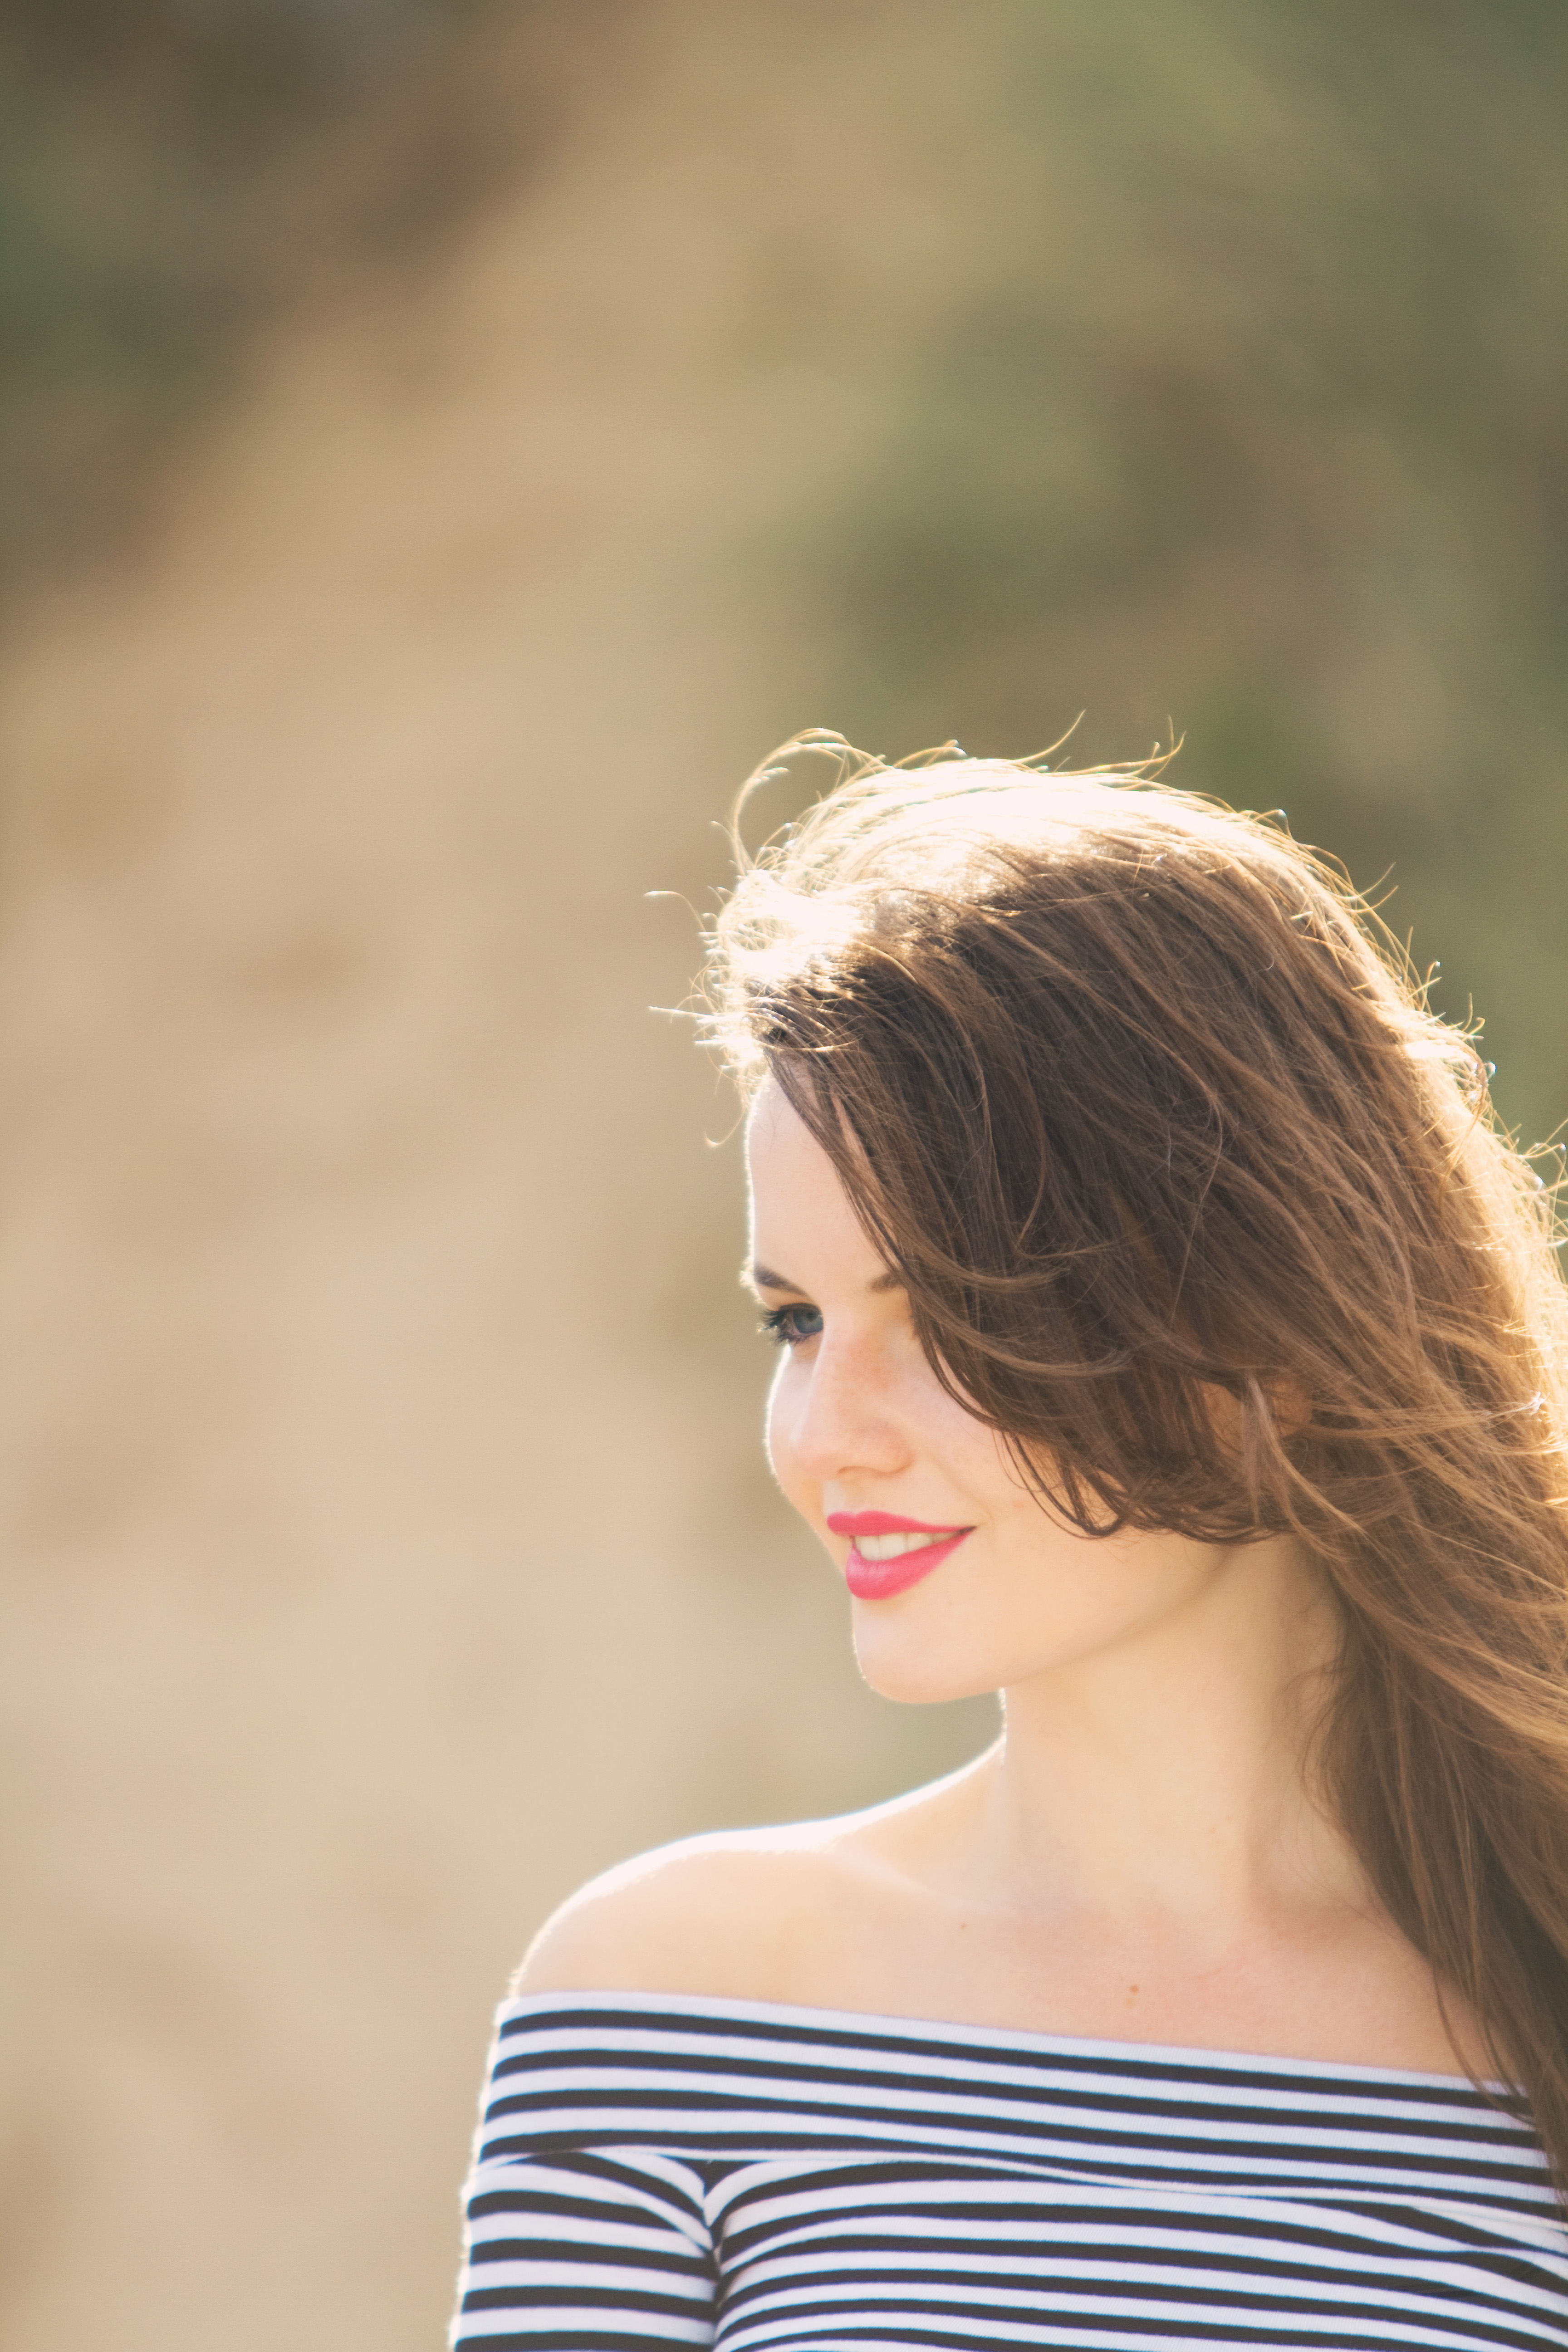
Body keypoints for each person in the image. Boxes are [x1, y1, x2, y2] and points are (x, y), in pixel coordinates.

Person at [451, 735, 1568, 2348]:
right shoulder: (669, 2000)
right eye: (795, 1321)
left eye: (950, 1316)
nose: (827, 1435)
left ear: (1279, 1329)